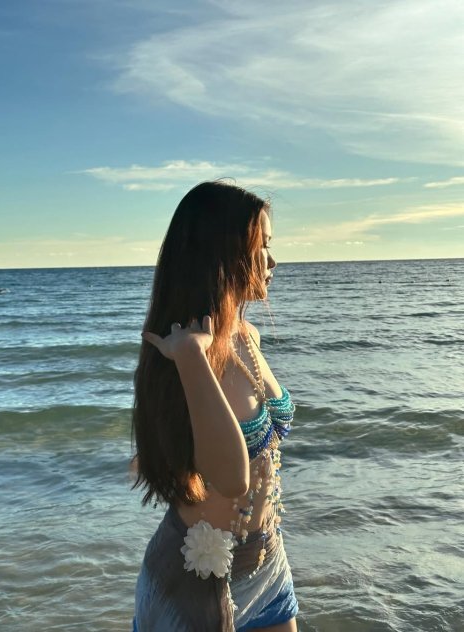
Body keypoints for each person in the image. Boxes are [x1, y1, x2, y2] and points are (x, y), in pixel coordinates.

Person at [132, 181, 299, 631]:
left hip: (266, 564)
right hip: (195, 580)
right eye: (261, 247)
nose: (272, 261)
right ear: (222, 252)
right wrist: (192, 359)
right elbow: (230, 477)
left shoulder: (248, 335)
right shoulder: (184, 353)